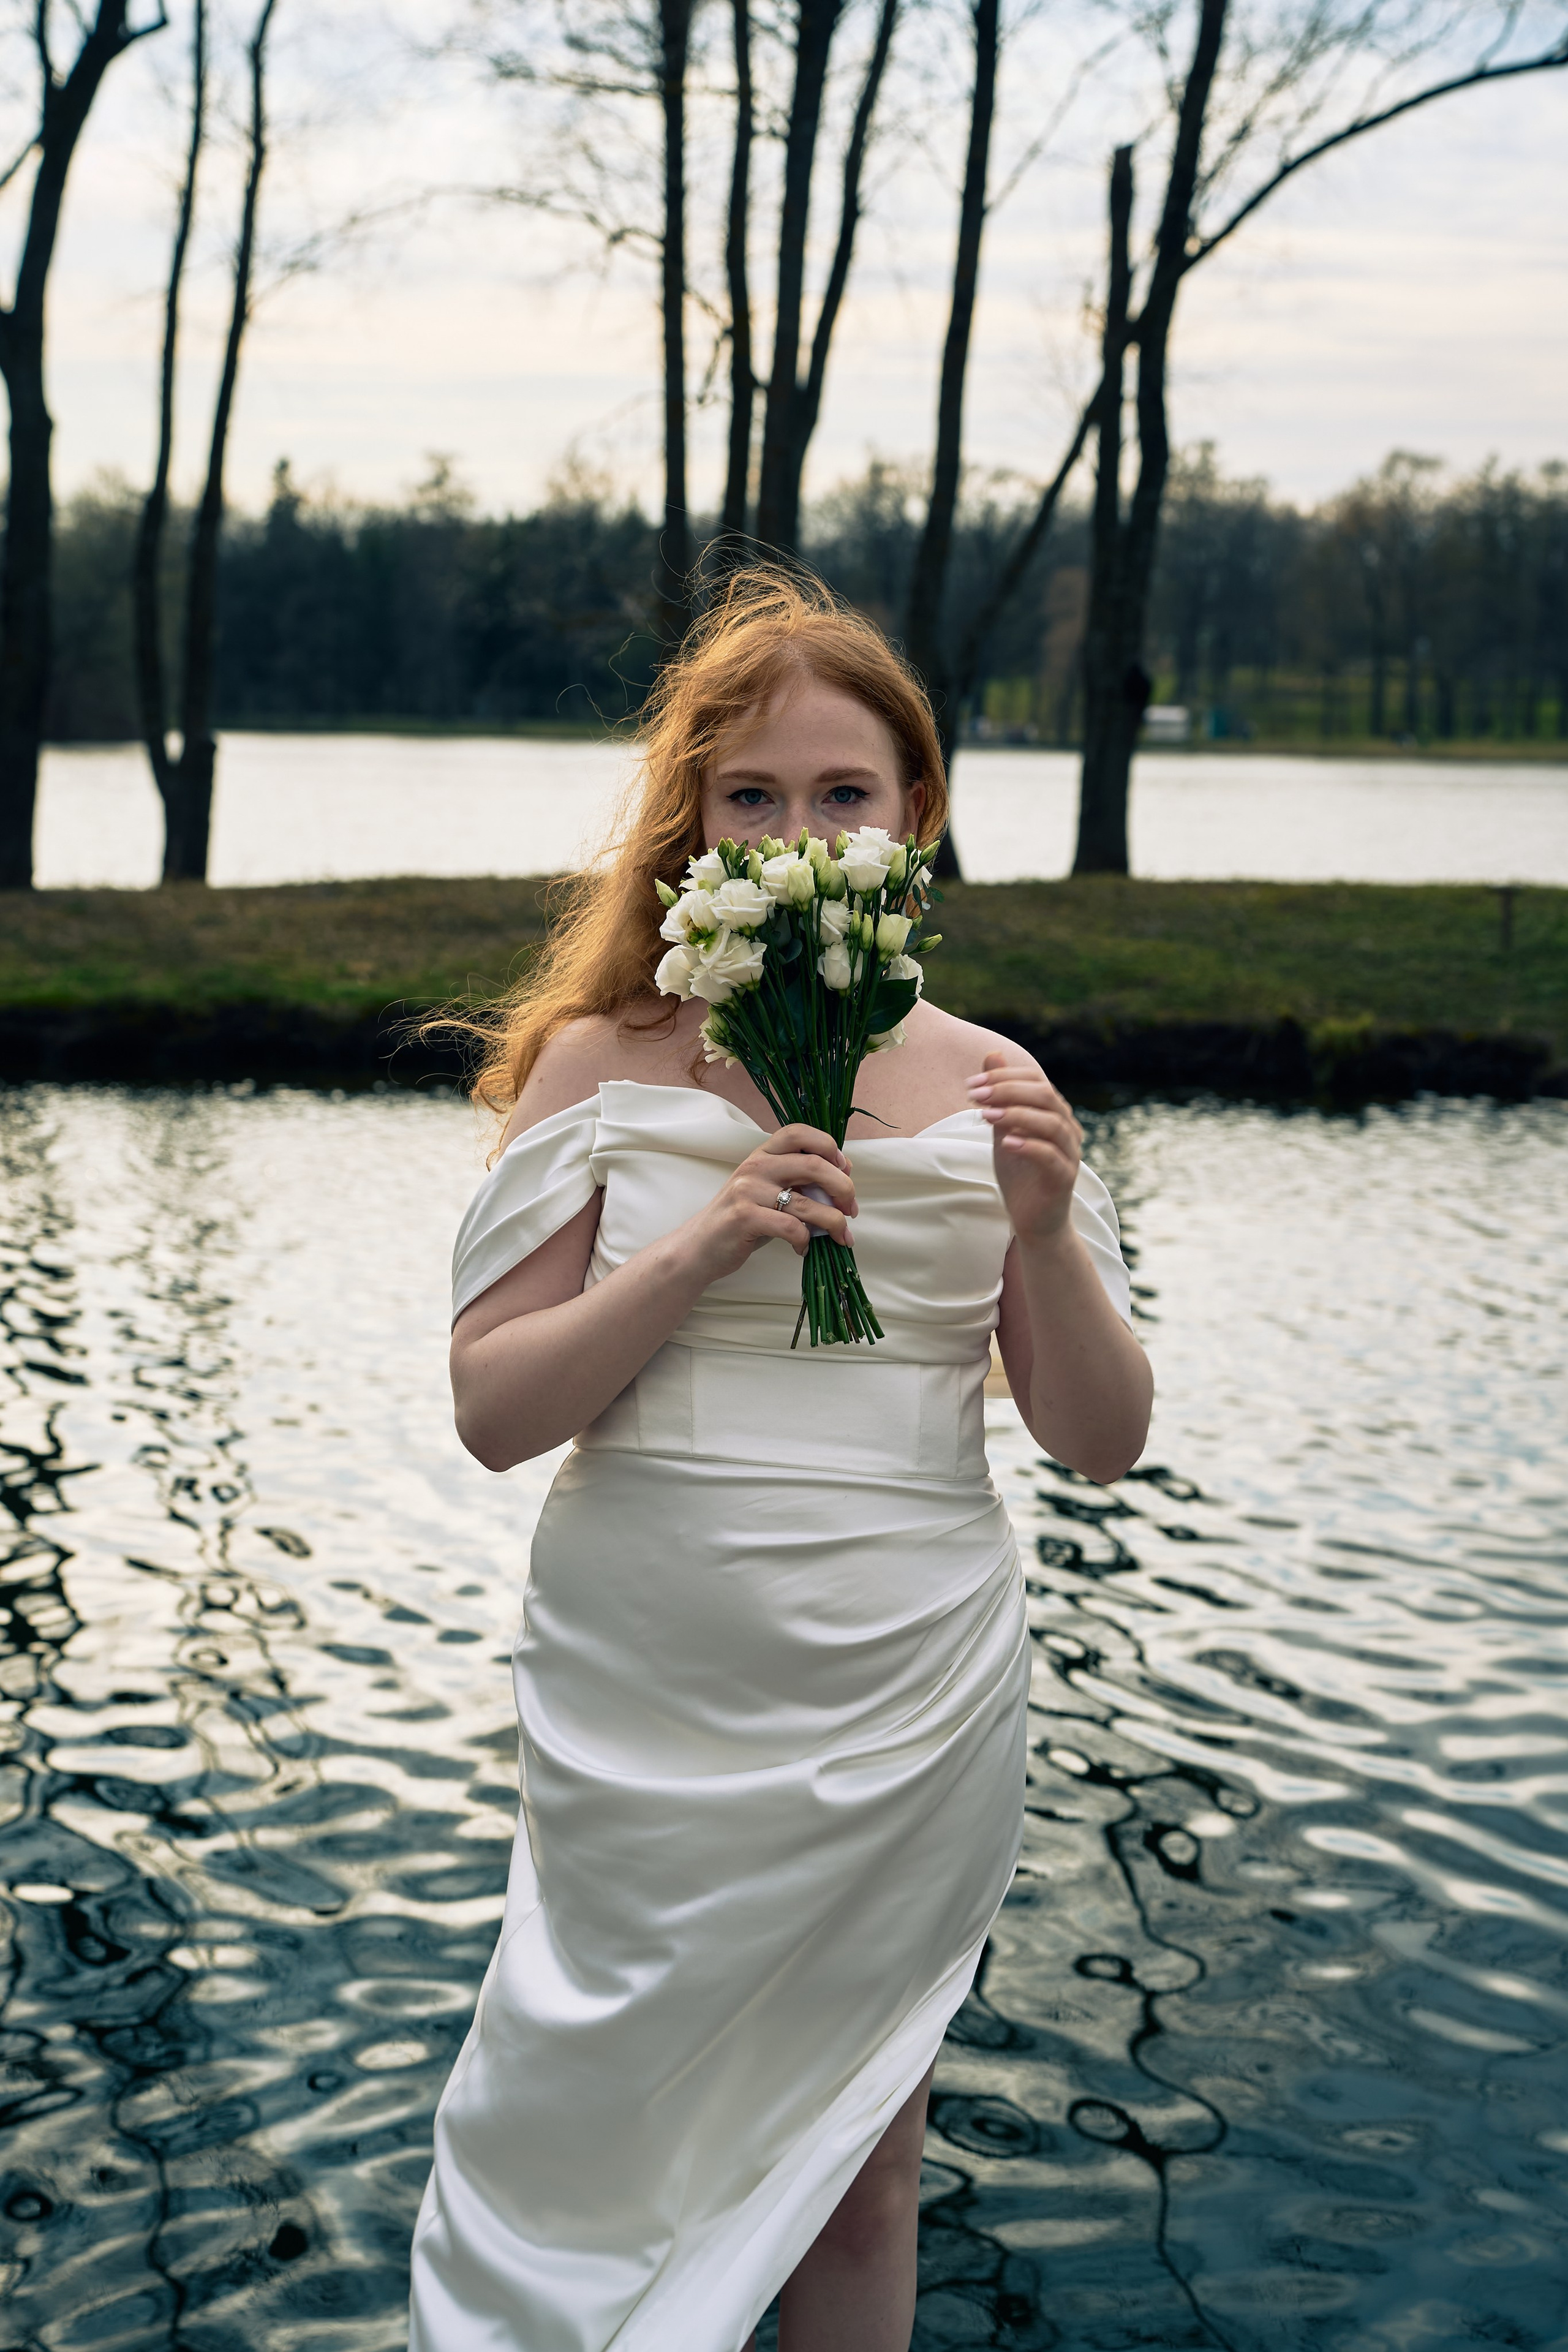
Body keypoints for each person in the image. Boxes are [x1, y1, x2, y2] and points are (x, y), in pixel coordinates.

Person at [408, 570, 1152, 2352]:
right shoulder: (598, 1063)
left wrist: (1044, 1229)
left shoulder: (996, 1087)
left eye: (842, 793)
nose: (797, 830)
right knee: (590, 2134)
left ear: (915, 817)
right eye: (752, 794)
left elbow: (1102, 1443)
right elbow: (496, 1411)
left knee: (864, 2166)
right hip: (649, 1679)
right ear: (695, 821)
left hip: (907, 1682)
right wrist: (704, 1243)